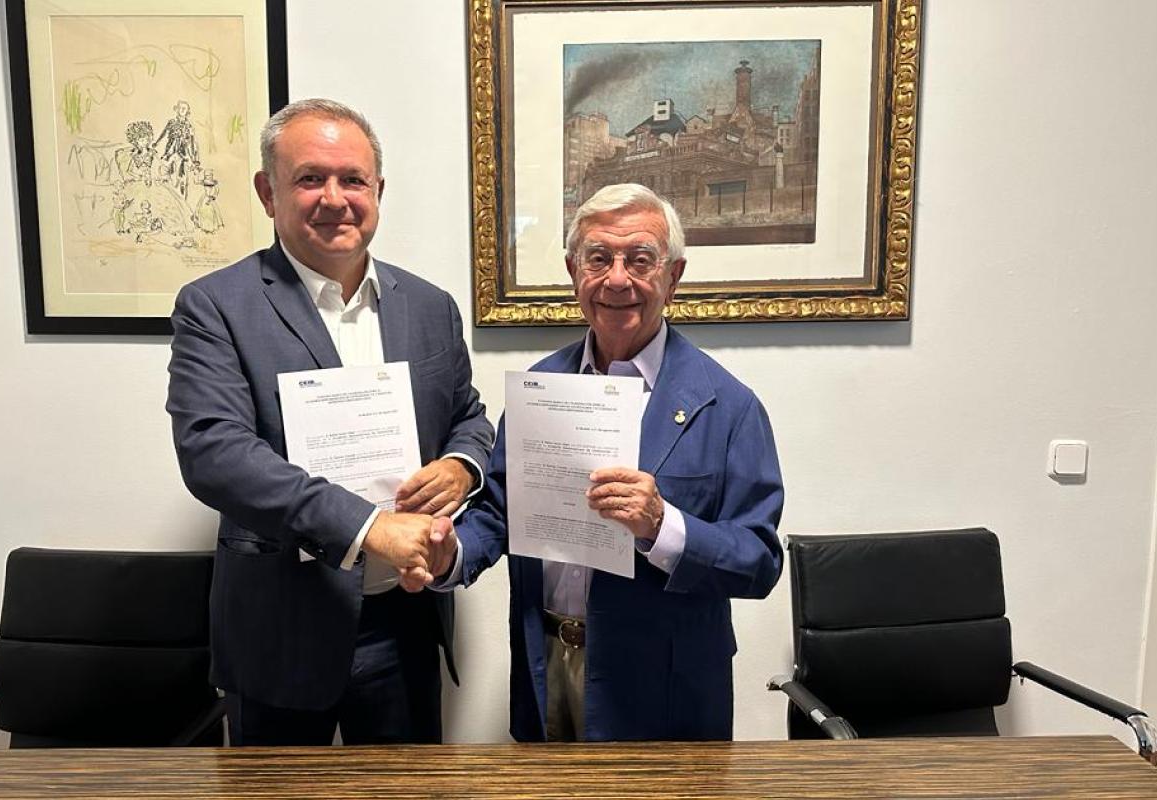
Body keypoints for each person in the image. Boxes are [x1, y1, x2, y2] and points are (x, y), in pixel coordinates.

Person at [167, 98, 494, 746]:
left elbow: (469, 417)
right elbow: (214, 452)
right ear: (268, 191)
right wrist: (371, 527)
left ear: (378, 190)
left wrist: (462, 467)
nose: (334, 198)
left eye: (352, 180)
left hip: (404, 622)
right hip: (280, 627)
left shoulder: (431, 306)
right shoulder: (215, 306)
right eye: (310, 178)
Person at [443, 183, 784, 742]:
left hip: (662, 687)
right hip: (545, 663)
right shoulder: (540, 388)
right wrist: (450, 552)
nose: (618, 279)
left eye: (640, 259)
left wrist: (661, 526)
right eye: (599, 258)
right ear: (574, 272)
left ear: (672, 277)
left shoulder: (728, 405)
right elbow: (500, 511)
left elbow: (760, 561)